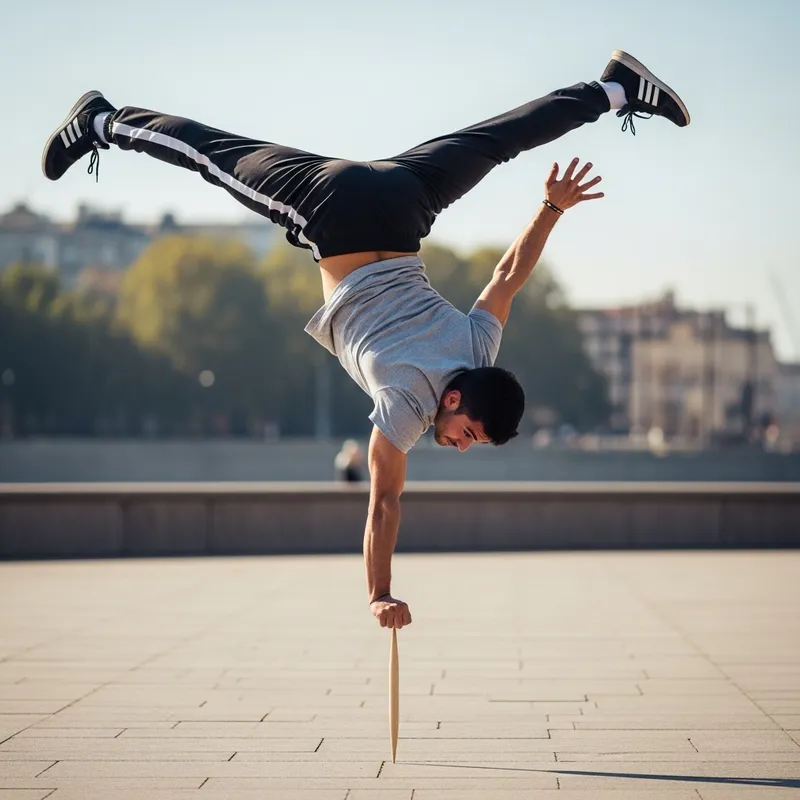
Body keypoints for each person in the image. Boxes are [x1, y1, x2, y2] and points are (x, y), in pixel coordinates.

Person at [42, 50, 690, 630]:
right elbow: (383, 504)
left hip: (401, 196)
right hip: (331, 211)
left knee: (497, 140)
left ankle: (611, 90)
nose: (459, 448)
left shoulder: (478, 355)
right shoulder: (410, 406)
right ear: (456, 403)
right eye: (467, 436)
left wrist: (550, 208)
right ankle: (102, 122)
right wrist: (379, 592)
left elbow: (506, 278)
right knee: (212, 155)